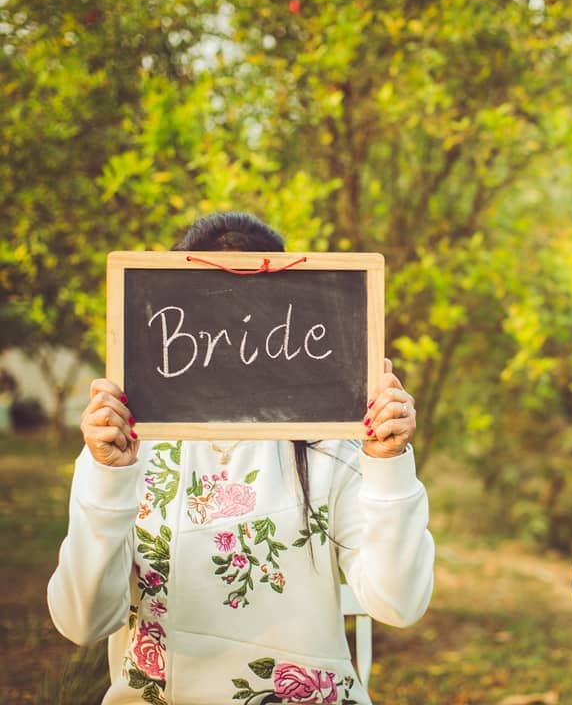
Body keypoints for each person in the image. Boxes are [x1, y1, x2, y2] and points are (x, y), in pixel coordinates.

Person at [48, 212, 435, 705]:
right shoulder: (129, 449)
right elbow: (81, 623)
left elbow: (399, 603)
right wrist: (107, 477)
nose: (231, 333)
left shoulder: (330, 444)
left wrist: (389, 464)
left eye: (251, 310)